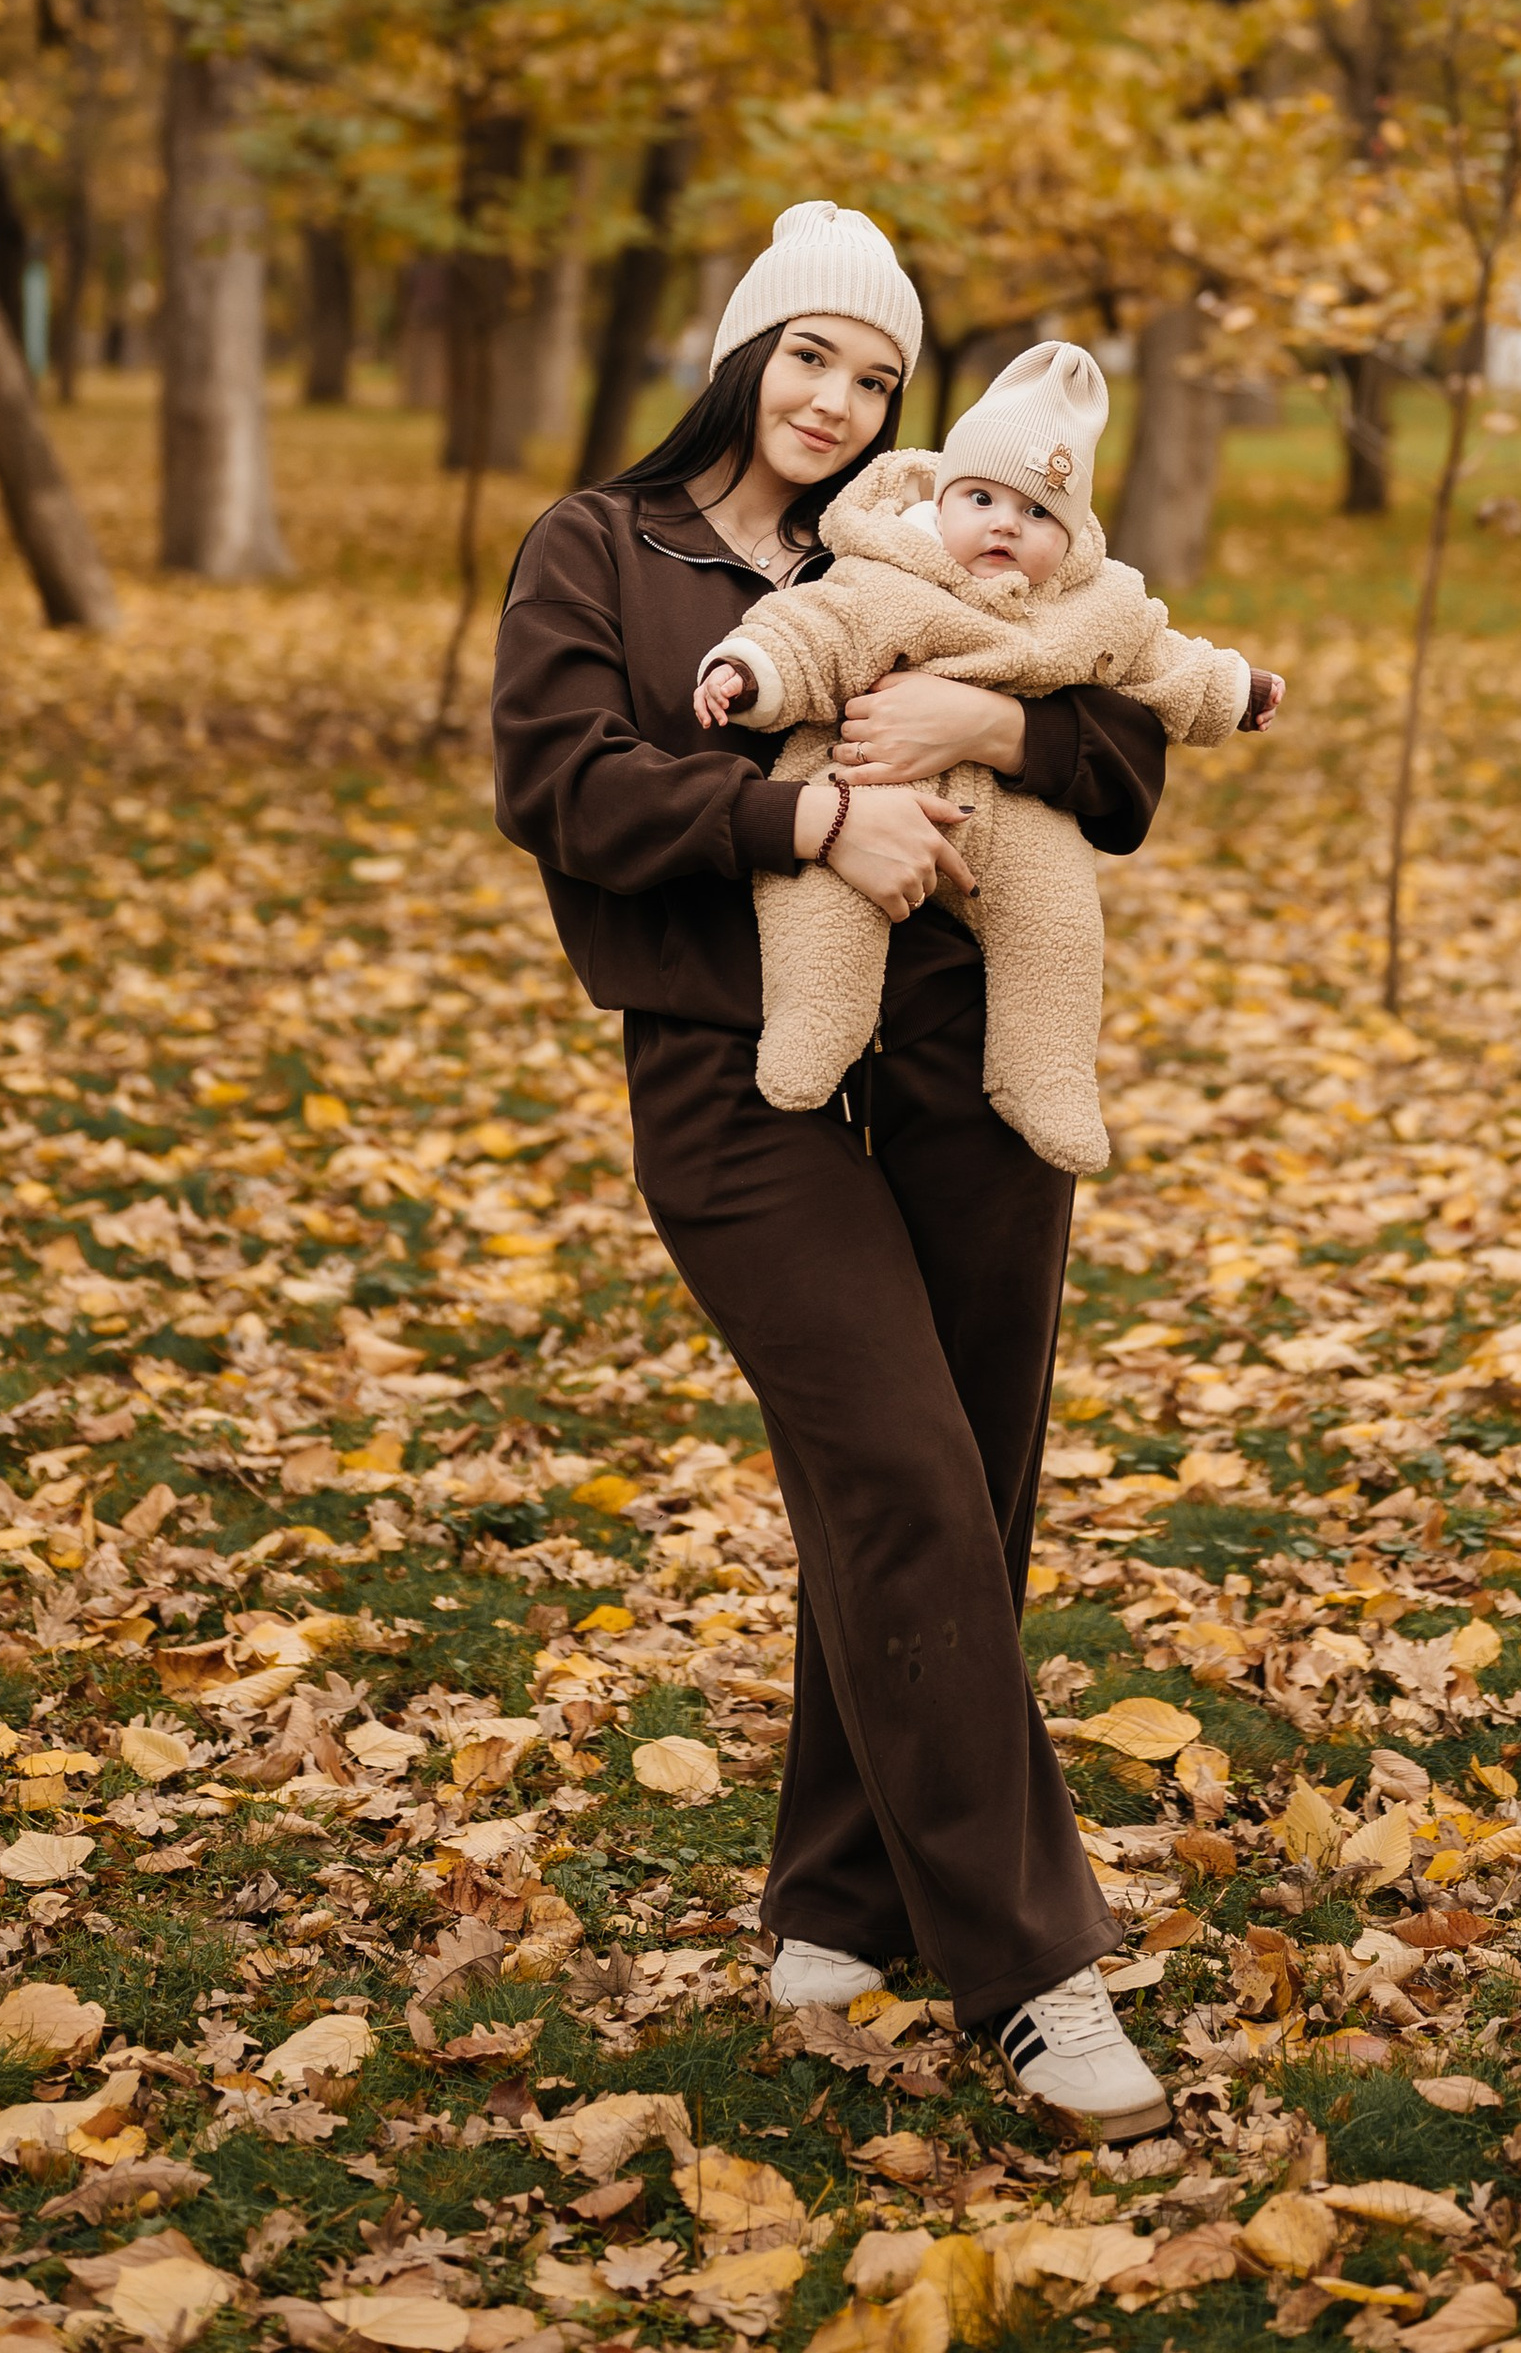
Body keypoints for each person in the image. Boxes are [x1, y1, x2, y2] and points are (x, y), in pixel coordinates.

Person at [490, 202, 1176, 2138]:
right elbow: (559, 787)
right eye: (809, 355)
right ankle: (1030, 1969)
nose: (837, 399)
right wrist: (811, 816)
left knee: (960, 1483)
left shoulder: (936, 525)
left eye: (875, 375)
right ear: (739, 351)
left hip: (967, 1066)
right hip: (743, 1083)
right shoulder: (599, 550)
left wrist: (993, 719)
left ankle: (839, 1892)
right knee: (893, 1469)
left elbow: (1122, 758)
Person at [690, 339, 1284, 1173]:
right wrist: (747, 674)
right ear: (941, 499)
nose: (1007, 523)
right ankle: (811, 1031)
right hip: (865, 776)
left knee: (1058, 926)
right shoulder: (886, 572)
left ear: (1072, 537)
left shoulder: (1093, 602)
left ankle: (1044, 1078)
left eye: (1040, 514)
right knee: (819, 905)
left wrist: (1234, 690)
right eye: (982, 498)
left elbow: (1161, 661)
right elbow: (809, 634)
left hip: (1014, 818)